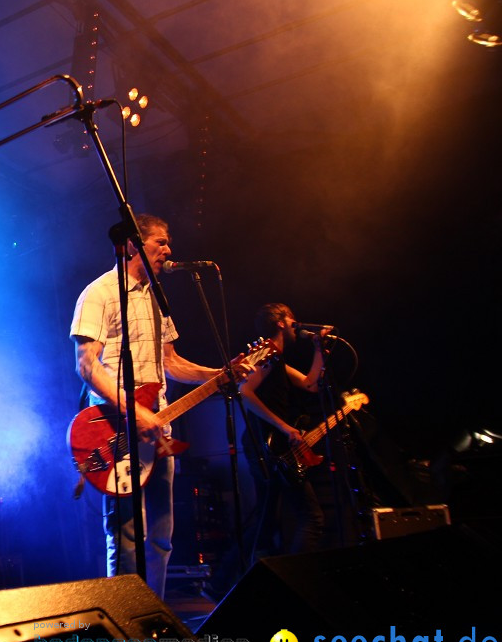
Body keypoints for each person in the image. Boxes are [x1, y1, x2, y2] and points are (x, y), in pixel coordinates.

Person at [70, 213, 248, 600]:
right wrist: (135, 412)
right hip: (117, 426)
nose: (169, 251)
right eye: (161, 242)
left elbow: (172, 362)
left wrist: (220, 373)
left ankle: (156, 614)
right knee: (128, 534)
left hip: (157, 425)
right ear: (135, 244)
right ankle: (126, 621)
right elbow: (87, 366)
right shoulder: (98, 293)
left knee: (162, 536)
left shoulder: (157, 300)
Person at [239, 302, 327, 556]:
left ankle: (225, 580)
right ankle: (300, 574)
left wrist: (319, 347)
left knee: (267, 518)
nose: (295, 324)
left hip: (273, 444)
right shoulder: (267, 355)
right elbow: (244, 392)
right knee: (309, 515)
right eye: (292, 320)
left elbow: (311, 384)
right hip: (266, 444)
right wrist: (285, 426)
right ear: (281, 322)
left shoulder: (277, 360)